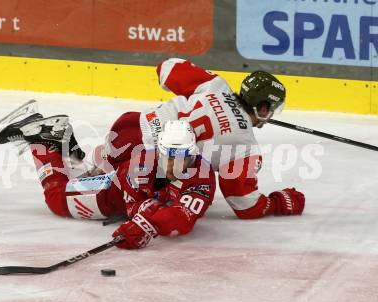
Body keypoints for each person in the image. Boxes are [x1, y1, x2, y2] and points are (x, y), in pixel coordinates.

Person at [88, 58, 305, 220]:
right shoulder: (245, 145)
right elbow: (245, 204)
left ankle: (103, 163)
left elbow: (166, 68)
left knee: (105, 175)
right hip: (149, 166)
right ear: (263, 108)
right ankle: (104, 176)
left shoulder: (216, 85)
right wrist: (278, 202)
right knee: (123, 192)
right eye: (271, 110)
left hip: (128, 126)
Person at [0, 107, 216, 249]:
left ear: (193, 154)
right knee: (56, 198)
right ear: (160, 151)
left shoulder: (202, 177)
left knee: (96, 171)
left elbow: (182, 218)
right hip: (111, 192)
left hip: (122, 174)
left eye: (182, 157)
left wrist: (150, 221)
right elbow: (131, 208)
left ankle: (65, 145)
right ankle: (43, 143)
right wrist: (146, 216)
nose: (174, 164)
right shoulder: (141, 165)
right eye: (169, 156)